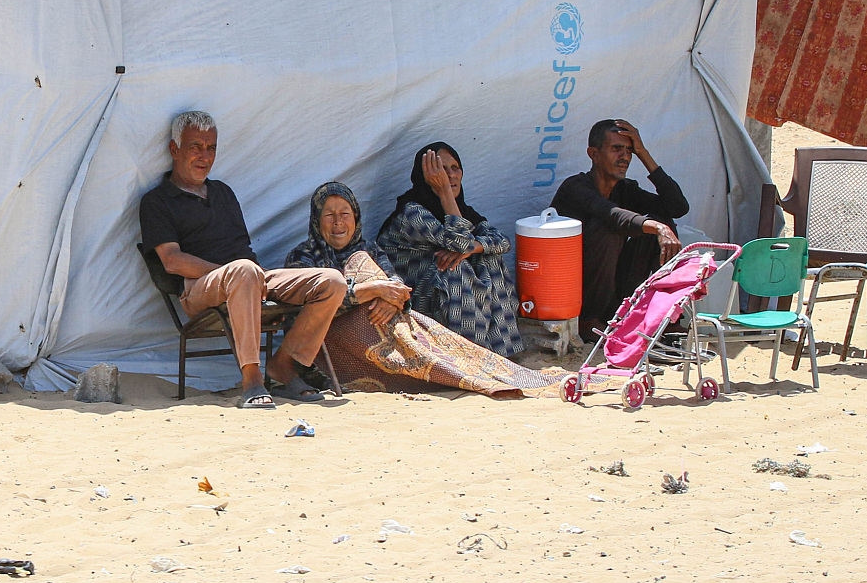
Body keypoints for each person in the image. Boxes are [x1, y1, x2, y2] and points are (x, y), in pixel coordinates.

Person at [140, 111, 347, 409]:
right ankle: (252, 378)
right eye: (195, 146)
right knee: (244, 271)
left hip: (247, 276)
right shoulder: (157, 201)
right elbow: (171, 261)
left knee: (332, 281)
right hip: (198, 286)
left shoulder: (223, 193)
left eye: (210, 147)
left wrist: (254, 277)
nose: (204, 156)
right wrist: (236, 274)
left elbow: (243, 249)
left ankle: (284, 364)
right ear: (175, 150)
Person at [283, 182, 559, 397]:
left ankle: (480, 369)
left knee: (432, 337)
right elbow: (313, 306)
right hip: (337, 343)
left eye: (345, 213)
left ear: (355, 216)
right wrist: (374, 289)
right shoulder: (303, 258)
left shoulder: (368, 247)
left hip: (385, 327)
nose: (338, 222)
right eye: (329, 215)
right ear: (316, 220)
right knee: (361, 267)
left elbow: (398, 288)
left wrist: (392, 299)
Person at [378, 143, 522, 360]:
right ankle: (465, 355)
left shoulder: (464, 211)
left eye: (455, 168)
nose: (450, 176)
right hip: (412, 300)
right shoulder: (413, 212)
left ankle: (502, 353)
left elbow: (501, 241)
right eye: (441, 170)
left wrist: (474, 247)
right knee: (455, 267)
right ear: (425, 176)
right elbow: (459, 243)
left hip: (444, 295)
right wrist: (445, 191)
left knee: (489, 260)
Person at [551, 119, 690, 338]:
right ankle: (587, 321)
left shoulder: (624, 189)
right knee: (614, 229)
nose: (625, 157)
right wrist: (657, 228)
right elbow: (612, 215)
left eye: (629, 151)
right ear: (594, 154)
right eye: (616, 149)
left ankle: (666, 317)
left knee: (662, 220)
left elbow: (677, 207)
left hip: (612, 289)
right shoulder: (575, 187)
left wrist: (643, 153)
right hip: (573, 294)